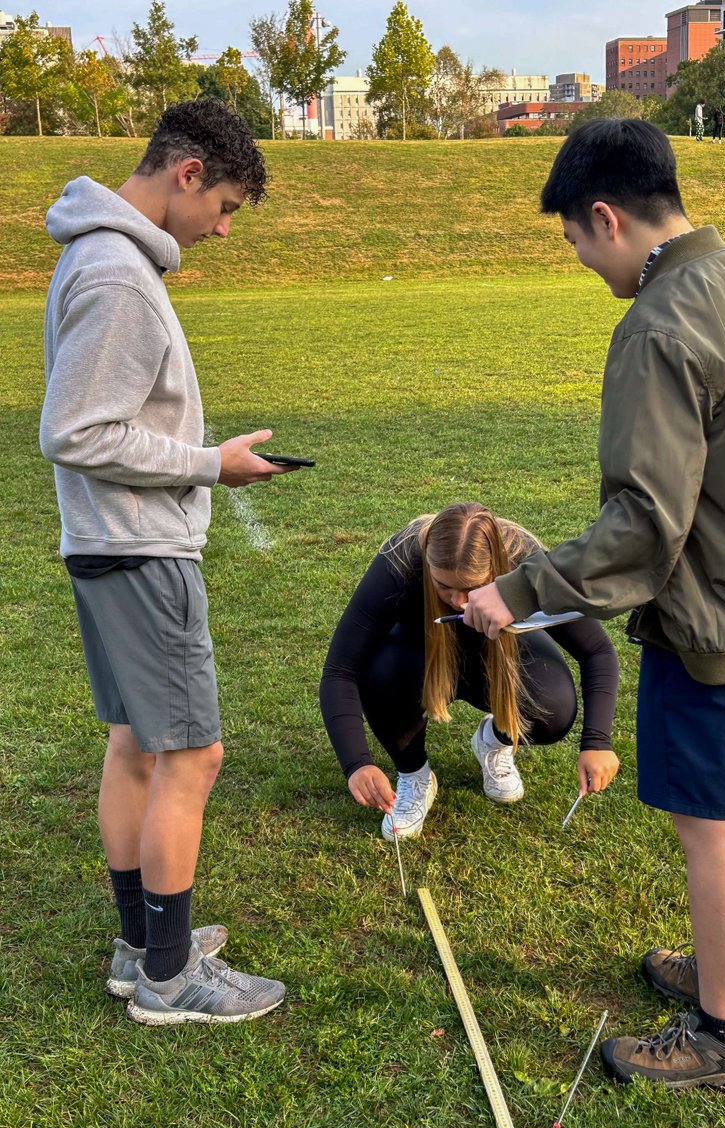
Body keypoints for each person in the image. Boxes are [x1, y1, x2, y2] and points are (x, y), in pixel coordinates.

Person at [464, 119, 725, 1089]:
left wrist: (515, 593)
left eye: (573, 241)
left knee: (713, 826)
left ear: (605, 217)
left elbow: (644, 527)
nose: (579, 261)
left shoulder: (658, 321)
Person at [40, 99, 297, 1026]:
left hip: (108, 545)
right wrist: (206, 464)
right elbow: (71, 431)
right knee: (192, 753)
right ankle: (168, 978)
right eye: (225, 205)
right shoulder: (116, 273)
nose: (223, 229)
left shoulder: (101, 255)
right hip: (139, 553)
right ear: (187, 172)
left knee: (138, 747)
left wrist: (202, 458)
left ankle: (143, 944)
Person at [320, 503, 620, 841]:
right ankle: (414, 774)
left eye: (473, 587)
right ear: (429, 566)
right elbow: (339, 670)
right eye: (444, 585)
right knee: (379, 671)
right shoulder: (401, 563)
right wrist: (357, 763)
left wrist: (597, 741)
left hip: (499, 656)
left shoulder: (524, 560)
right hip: (417, 658)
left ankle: (493, 743)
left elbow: (597, 650)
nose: (458, 601)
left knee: (554, 707)